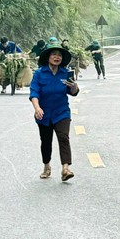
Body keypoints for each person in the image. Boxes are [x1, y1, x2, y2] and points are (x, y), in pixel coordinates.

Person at [29, 40, 80, 181]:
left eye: (59, 55)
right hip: (43, 114)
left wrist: (74, 85)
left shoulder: (65, 73)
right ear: (48, 57)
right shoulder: (39, 73)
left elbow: (73, 92)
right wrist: (37, 108)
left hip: (61, 111)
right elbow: (34, 92)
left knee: (63, 137)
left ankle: (65, 168)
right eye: (54, 54)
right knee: (46, 141)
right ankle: (47, 166)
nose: (57, 57)